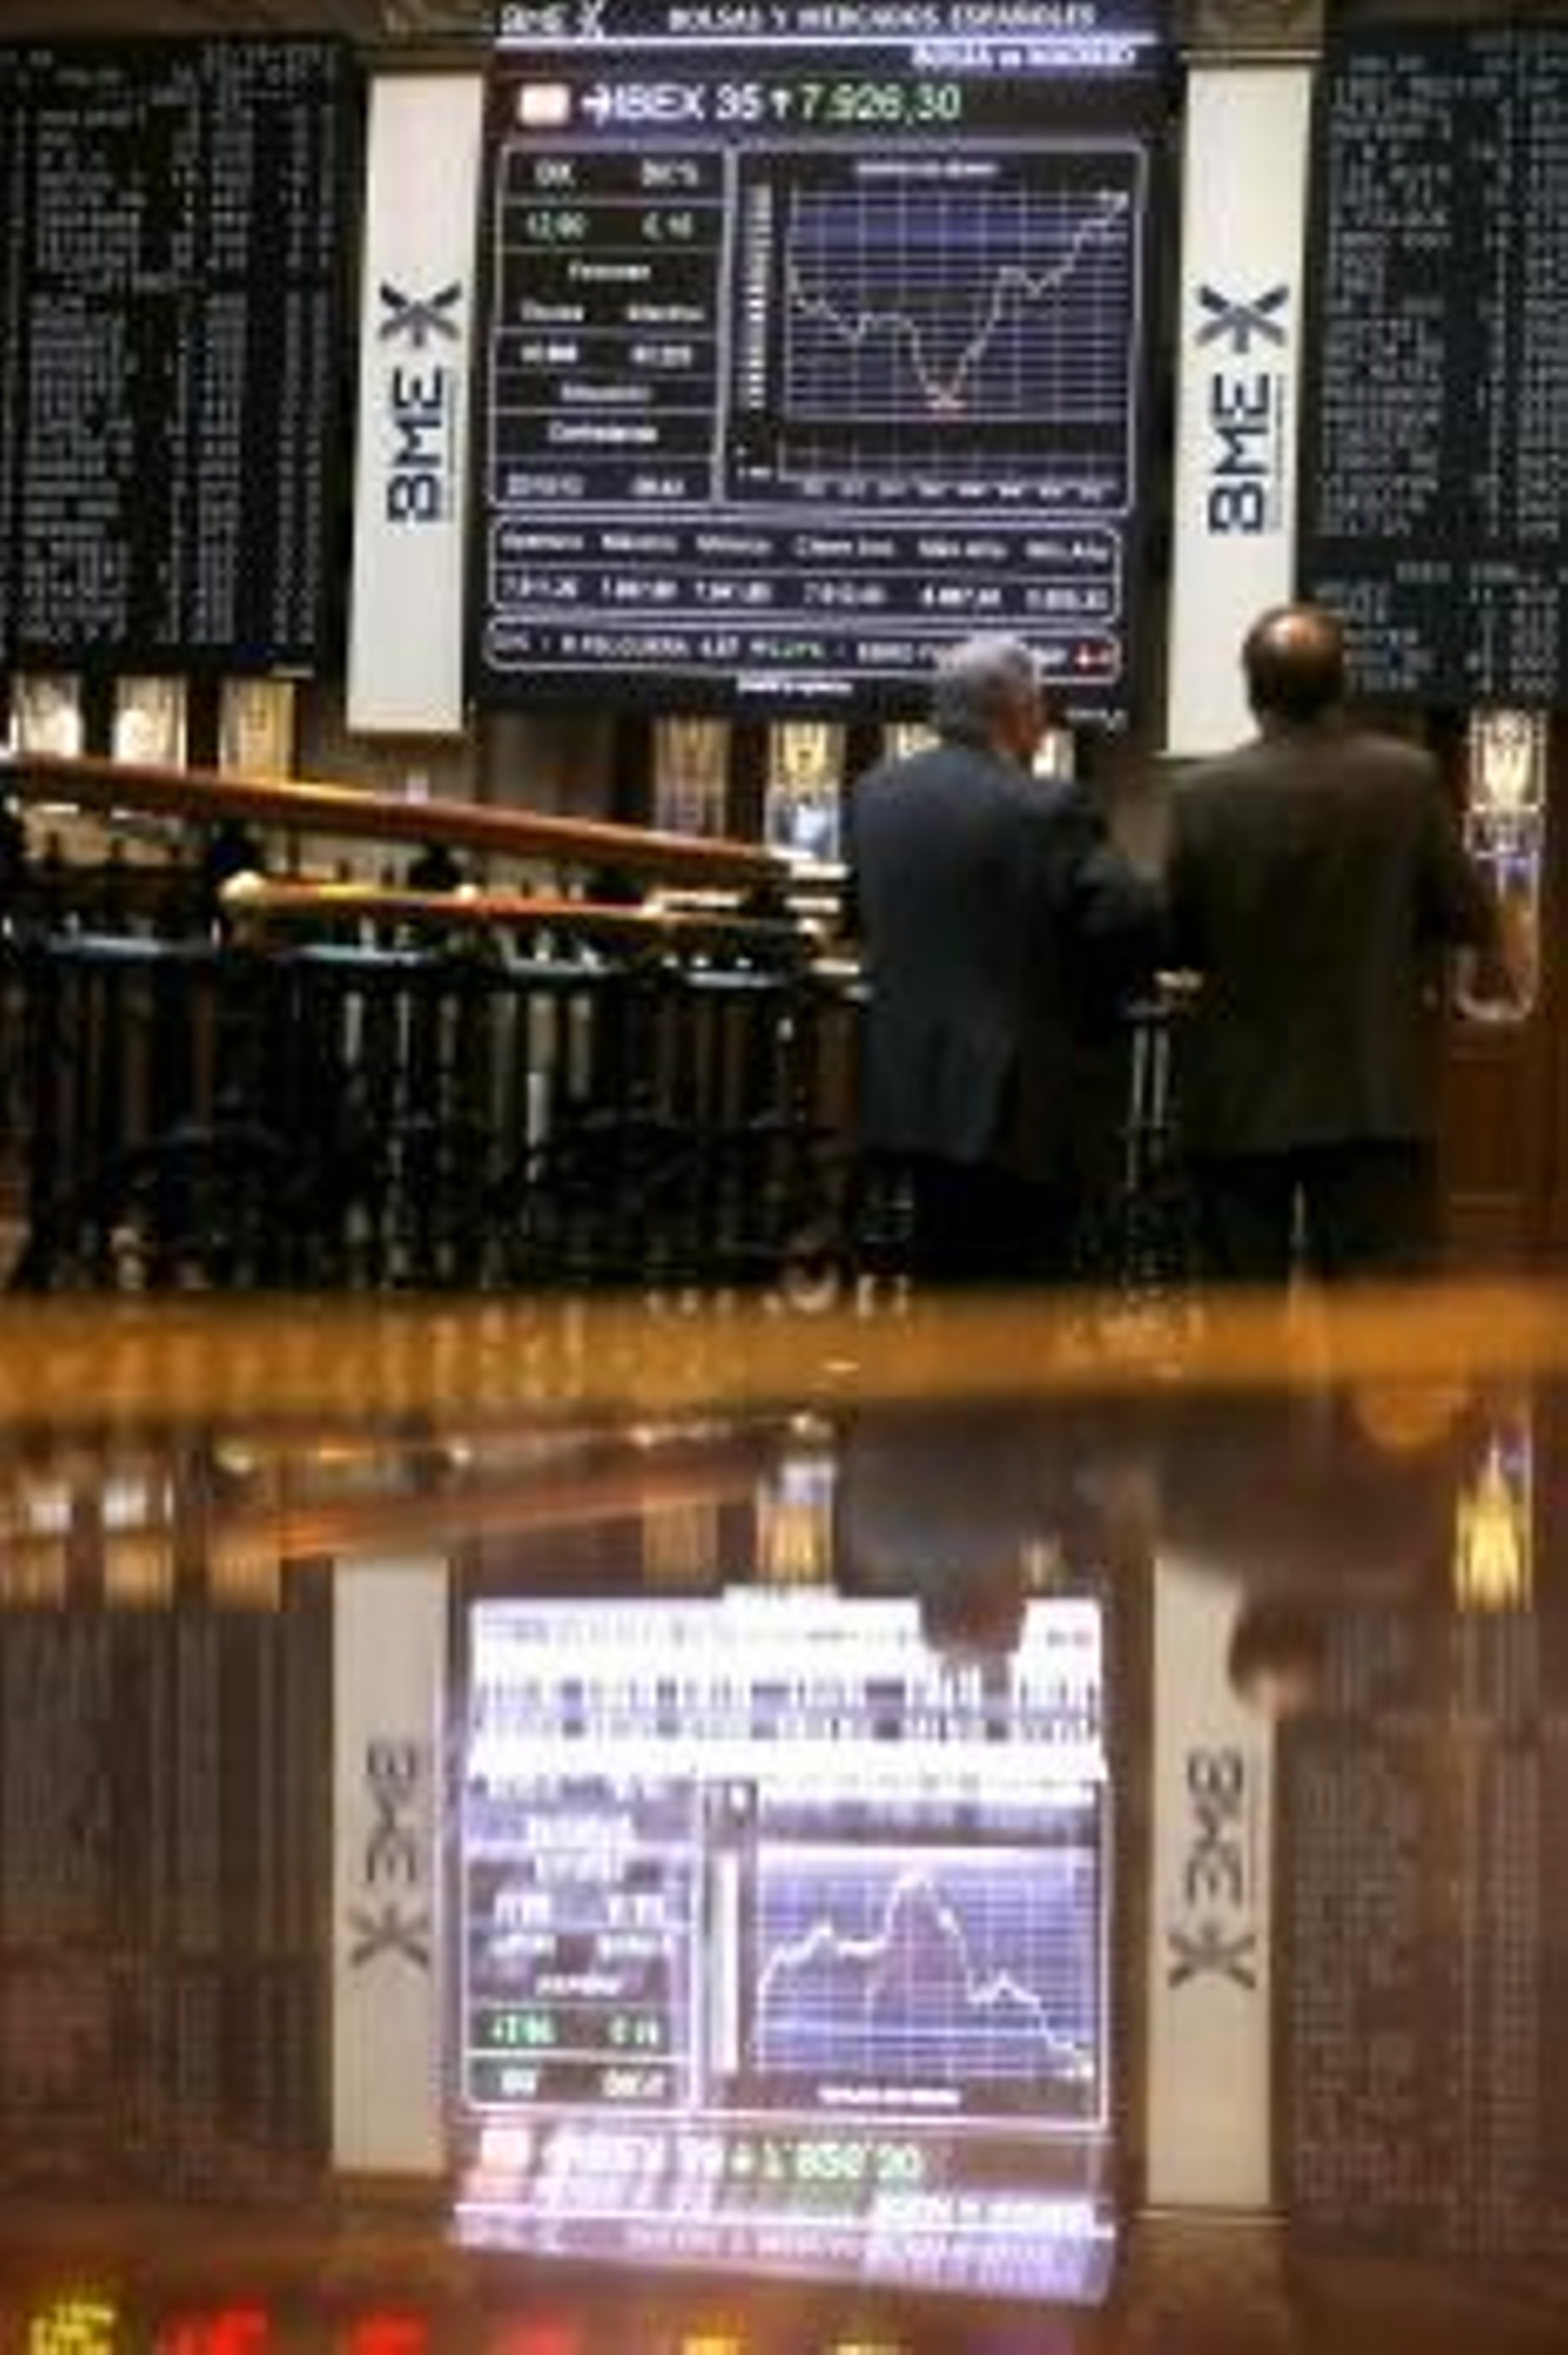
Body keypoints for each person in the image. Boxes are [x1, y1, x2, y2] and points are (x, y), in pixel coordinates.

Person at [1165, 604, 1505, 1285]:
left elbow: (1175, 936)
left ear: (1252, 690)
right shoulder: (1407, 779)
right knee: (1376, 1317)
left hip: (1239, 1096)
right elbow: (1470, 914)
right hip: (1371, 1089)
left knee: (1242, 1318)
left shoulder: (1201, 794)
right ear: (1342, 684)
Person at [849, 635, 1164, 1284]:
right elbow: (1124, 922)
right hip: (1013, 1107)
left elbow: (864, 920)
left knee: (939, 1278)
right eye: (1041, 707)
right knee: (1017, 1295)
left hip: (908, 1093)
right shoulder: (1048, 807)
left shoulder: (875, 796)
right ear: (1018, 711)